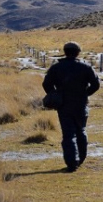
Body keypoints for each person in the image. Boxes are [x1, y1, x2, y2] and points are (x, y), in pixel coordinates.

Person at [42, 42, 100, 172]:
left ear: (65, 51)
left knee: (68, 134)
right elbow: (96, 84)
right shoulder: (85, 67)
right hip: (80, 104)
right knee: (81, 131)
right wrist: (85, 93)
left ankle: (72, 163)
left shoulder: (56, 67)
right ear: (78, 52)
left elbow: (46, 84)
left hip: (63, 105)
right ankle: (81, 158)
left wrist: (56, 95)